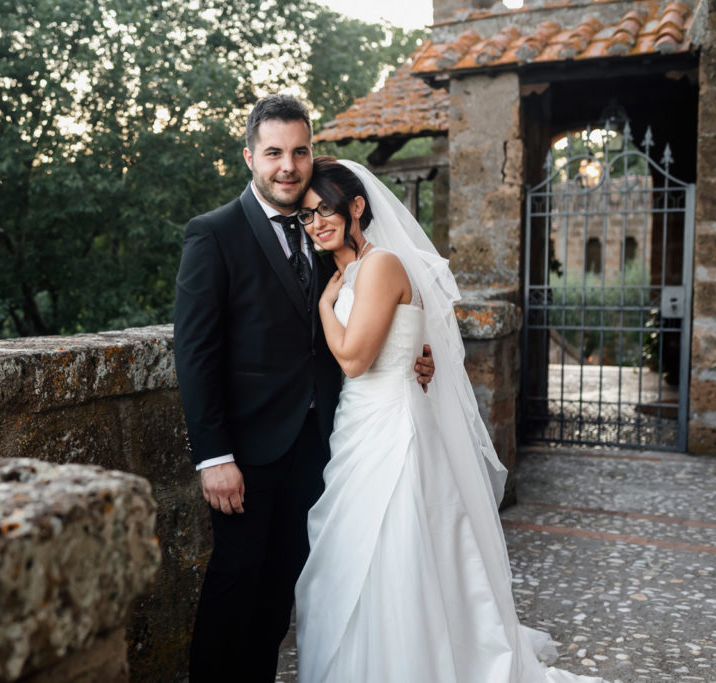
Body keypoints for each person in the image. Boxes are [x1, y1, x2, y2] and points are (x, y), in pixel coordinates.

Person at [293, 156, 607, 683]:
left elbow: (354, 359)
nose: (317, 222)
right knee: (361, 551)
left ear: (357, 207)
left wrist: (327, 304)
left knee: (398, 546)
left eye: (325, 210)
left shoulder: (381, 264)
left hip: (393, 427)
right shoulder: (350, 269)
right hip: (361, 422)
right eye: (306, 216)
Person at [173, 96, 434, 681]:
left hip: (323, 447)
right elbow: (194, 353)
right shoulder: (212, 234)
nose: (287, 166)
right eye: (273, 153)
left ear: (312, 154)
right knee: (234, 584)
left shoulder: (326, 230)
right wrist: (214, 456)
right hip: (245, 453)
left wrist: (415, 353)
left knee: (282, 589)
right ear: (249, 157)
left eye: (299, 151)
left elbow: (372, 308)